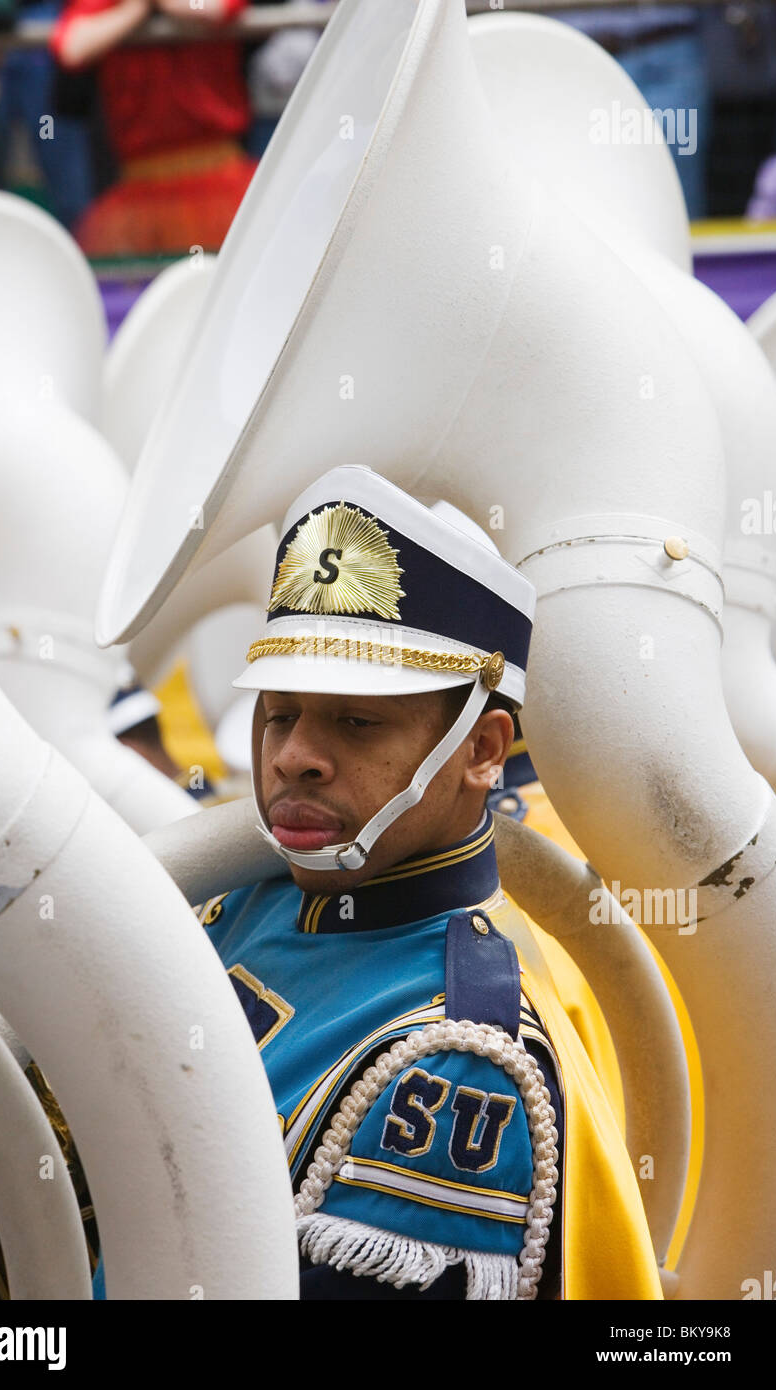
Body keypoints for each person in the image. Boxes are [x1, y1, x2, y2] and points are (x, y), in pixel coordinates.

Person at [197, 465, 663, 1300]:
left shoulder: (459, 1059)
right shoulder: (237, 900)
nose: (293, 753)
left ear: (484, 751)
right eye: (281, 712)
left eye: (356, 719)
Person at [50, 0, 256, 256]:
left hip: (218, 177)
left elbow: (222, 7)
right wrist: (132, 11)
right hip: (141, 186)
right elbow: (71, 48)